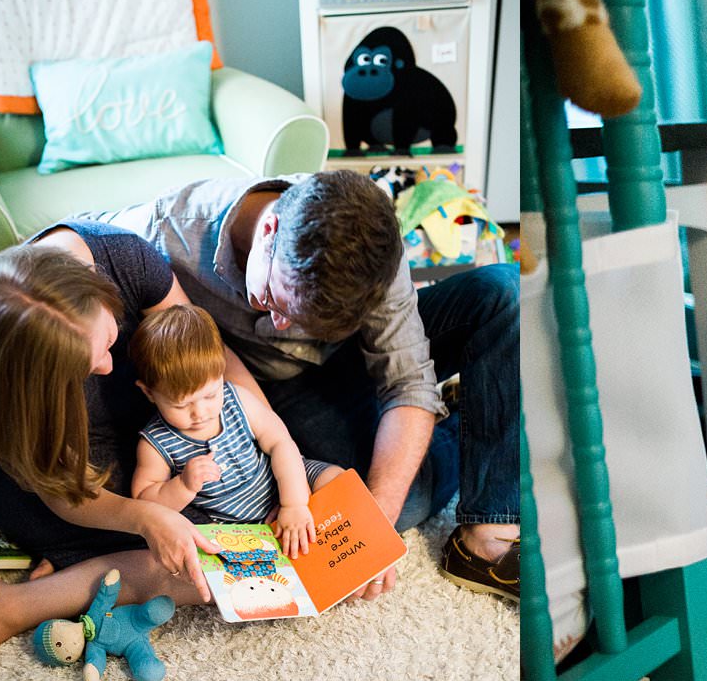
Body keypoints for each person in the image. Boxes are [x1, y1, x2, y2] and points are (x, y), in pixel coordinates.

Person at [89, 169, 520, 602]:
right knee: (398, 503)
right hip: (276, 392)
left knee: (503, 289)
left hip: (353, 354)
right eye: (276, 300)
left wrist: (371, 531)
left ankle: (489, 528)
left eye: (295, 316)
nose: (280, 325)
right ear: (270, 229)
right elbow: (73, 245)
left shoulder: (369, 241)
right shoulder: (165, 234)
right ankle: (467, 410)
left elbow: (407, 382)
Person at [0, 227, 257, 671]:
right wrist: (145, 517)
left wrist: (263, 427)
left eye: (108, 342)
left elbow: (208, 357)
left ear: (99, 284)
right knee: (202, 550)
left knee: (233, 501)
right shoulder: (6, 389)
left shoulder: (126, 260)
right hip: (56, 483)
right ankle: (16, 605)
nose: (109, 366)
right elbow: (67, 493)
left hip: (147, 422)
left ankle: (73, 569)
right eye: (84, 369)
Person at [128, 305, 340, 557]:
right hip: (238, 527)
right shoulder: (156, 444)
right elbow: (144, 502)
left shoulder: (237, 399)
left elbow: (280, 443)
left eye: (210, 395)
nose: (200, 412)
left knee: (336, 478)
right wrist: (182, 486)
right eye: (181, 404)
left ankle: (348, 542)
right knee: (236, 564)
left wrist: (294, 503)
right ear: (149, 392)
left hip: (286, 480)